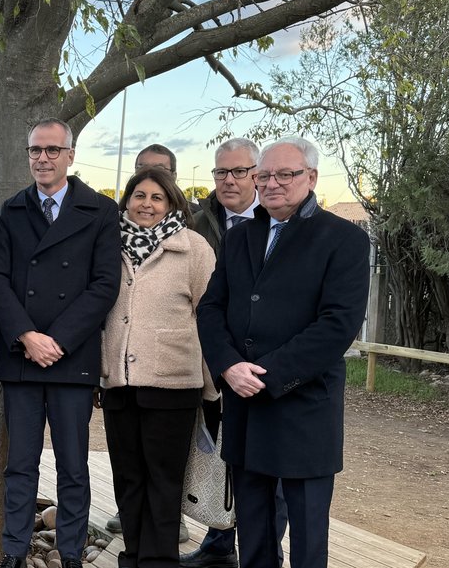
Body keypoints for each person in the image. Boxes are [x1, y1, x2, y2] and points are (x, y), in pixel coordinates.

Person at [198, 137, 370, 568]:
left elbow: (337, 326)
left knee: (309, 537)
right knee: (254, 531)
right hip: (244, 409)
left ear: (310, 178)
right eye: (265, 175)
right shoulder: (240, 238)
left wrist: (264, 375)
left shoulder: (343, 239)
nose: (272, 183)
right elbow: (211, 308)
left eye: (285, 174)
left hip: (303, 408)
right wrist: (228, 366)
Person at [0, 119, 121, 568]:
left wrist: (56, 341)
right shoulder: (13, 210)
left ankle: (70, 553)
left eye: (51, 150)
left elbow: (104, 285)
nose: (42, 158)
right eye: (35, 151)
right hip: (22, 358)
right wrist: (27, 336)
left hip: (71, 358)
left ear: (70, 154)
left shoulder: (100, 211)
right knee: (19, 465)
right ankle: (14, 551)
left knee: (73, 468)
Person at [100, 168, 217, 568]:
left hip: (173, 385)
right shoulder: (107, 245)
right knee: (128, 481)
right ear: (127, 200)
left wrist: (211, 385)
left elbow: (210, 315)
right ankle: (132, 556)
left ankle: (159, 561)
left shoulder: (194, 249)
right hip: (118, 383)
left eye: (157, 198)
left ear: (171, 204)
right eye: (139, 196)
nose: (146, 204)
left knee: (164, 483)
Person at [182, 138, 285, 568]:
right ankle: (220, 542)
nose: (229, 180)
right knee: (220, 456)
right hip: (209, 361)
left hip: (266, 366)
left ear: (257, 174)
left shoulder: (280, 222)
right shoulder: (194, 221)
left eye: (239, 172)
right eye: (221, 172)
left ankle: (266, 553)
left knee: (269, 467)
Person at [134, 143, 201, 213]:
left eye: (159, 169)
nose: (149, 173)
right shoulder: (122, 214)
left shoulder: (196, 217)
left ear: (173, 176)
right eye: (143, 168)